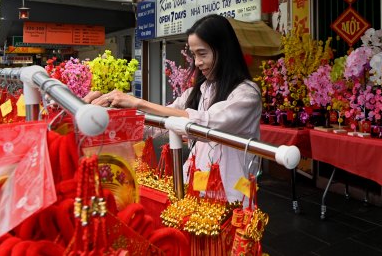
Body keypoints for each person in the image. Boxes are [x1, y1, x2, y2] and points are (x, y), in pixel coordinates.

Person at [85, 14, 262, 202]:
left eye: (202, 54)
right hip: (194, 184)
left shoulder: (246, 94)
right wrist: (110, 115)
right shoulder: (200, 91)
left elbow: (208, 121)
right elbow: (159, 124)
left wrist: (138, 102)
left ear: (224, 51)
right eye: (194, 55)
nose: (197, 62)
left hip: (231, 191)